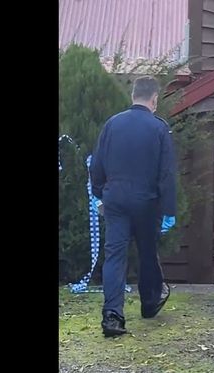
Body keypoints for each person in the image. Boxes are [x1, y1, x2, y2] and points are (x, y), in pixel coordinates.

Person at [89, 76, 177, 337]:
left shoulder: (112, 124)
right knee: (147, 254)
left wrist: (98, 196)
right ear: (155, 99)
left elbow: (97, 165)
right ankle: (149, 303)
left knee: (115, 256)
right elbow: (167, 174)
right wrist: (169, 211)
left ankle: (112, 317)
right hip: (146, 202)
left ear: (133, 96)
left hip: (115, 200)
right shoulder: (159, 128)